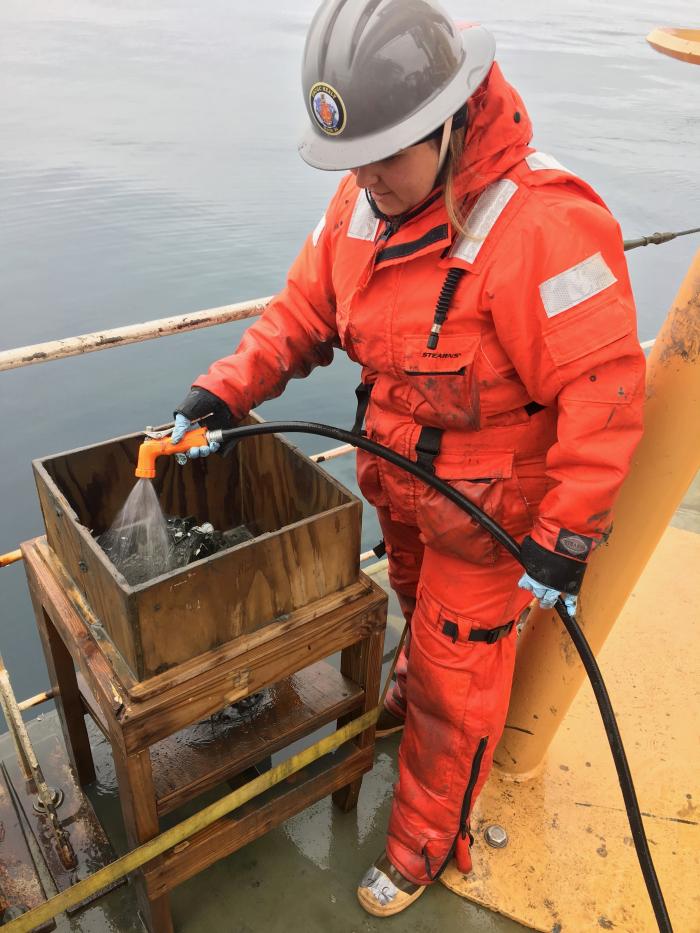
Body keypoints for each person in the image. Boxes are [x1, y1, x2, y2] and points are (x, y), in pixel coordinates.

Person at [169, 0, 645, 918]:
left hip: (489, 518)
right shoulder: (362, 202)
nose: (367, 179)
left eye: (386, 155)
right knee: (416, 623)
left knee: (455, 689)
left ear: (451, 122)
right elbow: (302, 315)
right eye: (354, 160)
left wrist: (566, 539)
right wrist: (223, 390)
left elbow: (605, 391)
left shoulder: (545, 227)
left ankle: (425, 844)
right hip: (404, 490)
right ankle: (411, 684)